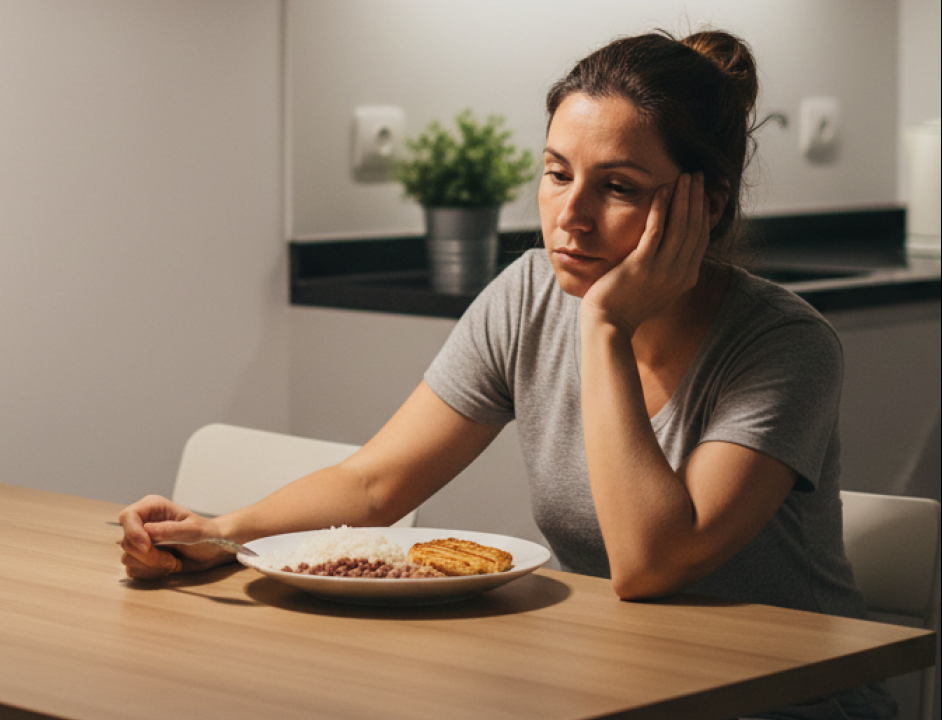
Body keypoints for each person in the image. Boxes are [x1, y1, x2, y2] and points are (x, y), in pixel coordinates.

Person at [119, 29, 898, 720]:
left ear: (707, 202)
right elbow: (375, 485)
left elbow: (651, 564)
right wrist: (220, 533)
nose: (571, 216)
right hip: (619, 691)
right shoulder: (527, 294)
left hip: (788, 703)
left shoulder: (785, 346)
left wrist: (604, 325)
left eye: (618, 187)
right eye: (558, 173)